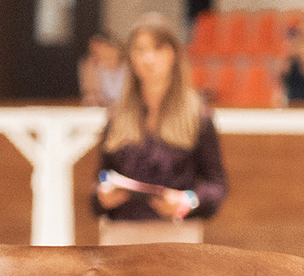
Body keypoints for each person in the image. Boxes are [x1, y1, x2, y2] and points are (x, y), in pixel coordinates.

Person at [93, 13, 226, 246]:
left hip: (175, 239)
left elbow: (217, 186)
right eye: (140, 50)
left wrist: (189, 200)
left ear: (173, 54)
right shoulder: (116, 116)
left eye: (157, 49)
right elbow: (99, 181)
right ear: (131, 58)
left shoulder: (198, 117)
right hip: (121, 238)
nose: (148, 59)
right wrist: (102, 196)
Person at [78, 32, 126, 108]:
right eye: (93, 50)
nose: (97, 53)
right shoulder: (94, 68)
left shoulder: (128, 68)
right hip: (104, 111)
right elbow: (90, 95)